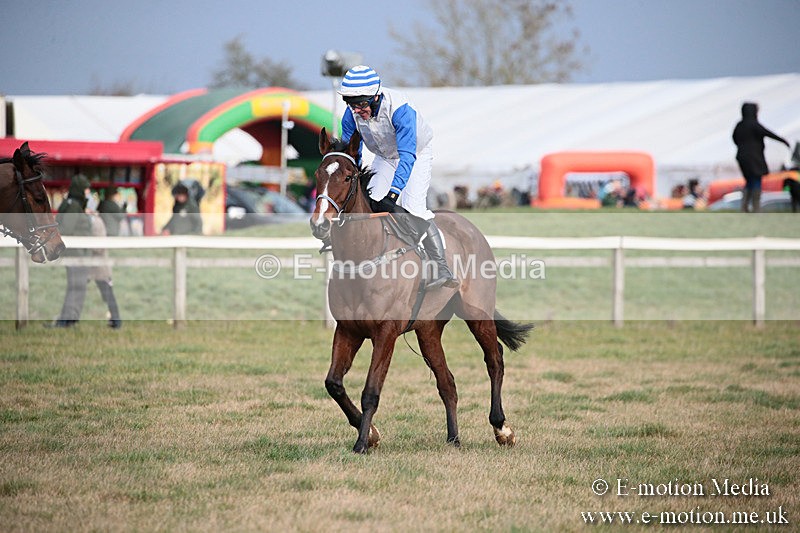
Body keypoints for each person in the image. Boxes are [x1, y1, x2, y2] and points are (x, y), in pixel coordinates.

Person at [338, 65, 458, 289]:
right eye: (351, 104)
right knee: (370, 205)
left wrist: (393, 194)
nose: (357, 110)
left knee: (412, 208)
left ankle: (441, 267)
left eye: (362, 104)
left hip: (415, 155)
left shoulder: (400, 109)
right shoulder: (351, 115)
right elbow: (351, 155)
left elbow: (407, 156)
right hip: (384, 157)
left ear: (376, 96)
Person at [49, 174, 93, 328]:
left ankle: (68, 320)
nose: (88, 192)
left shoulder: (72, 204)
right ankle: (67, 321)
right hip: (77, 254)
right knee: (77, 287)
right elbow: (67, 229)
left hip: (76, 253)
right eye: (86, 189)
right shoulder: (74, 206)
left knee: (76, 287)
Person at [732, 102, 791, 213]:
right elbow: (768, 133)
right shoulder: (754, 125)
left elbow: (734, 138)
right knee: (756, 180)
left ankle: (744, 207)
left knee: (749, 180)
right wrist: (783, 141)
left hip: (742, 157)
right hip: (754, 158)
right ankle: (756, 207)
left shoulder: (740, 125)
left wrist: (742, 146)